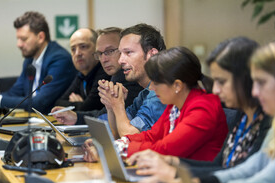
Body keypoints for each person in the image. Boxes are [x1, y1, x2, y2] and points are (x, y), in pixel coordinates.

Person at [137, 41, 275, 183]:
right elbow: (237, 169)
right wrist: (178, 173)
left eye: (261, 83)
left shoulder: (267, 123)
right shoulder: (245, 117)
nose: (216, 90)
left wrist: (182, 182)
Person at [84, 46, 228, 162]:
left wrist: (112, 150)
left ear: (177, 86)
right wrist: (113, 144)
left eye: (157, 83)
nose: (152, 88)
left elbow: (165, 149)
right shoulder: (175, 105)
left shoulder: (203, 109)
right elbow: (151, 136)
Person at [52, 23, 166, 134]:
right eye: (121, 53)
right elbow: (116, 133)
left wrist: (117, 105)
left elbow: (129, 135)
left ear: (151, 55)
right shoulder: (144, 94)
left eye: (128, 53)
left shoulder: (160, 94)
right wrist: (110, 107)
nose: (120, 60)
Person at [0, 11, 76, 114]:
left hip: (54, 123)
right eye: (18, 39)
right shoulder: (29, 60)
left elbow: (39, 104)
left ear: (40, 37)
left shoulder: (60, 59)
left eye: (24, 39)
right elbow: (15, 92)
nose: (19, 44)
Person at [51, 27, 143, 125]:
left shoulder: (125, 76)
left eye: (110, 51)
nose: (103, 59)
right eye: (100, 53)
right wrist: (77, 116)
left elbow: (105, 115)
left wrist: (78, 115)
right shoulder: (113, 74)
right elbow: (105, 115)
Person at [54, 28, 111, 111]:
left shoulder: (105, 71)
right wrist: (80, 104)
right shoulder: (81, 74)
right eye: (73, 49)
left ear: (97, 49)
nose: (77, 53)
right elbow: (58, 103)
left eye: (83, 47)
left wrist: (80, 105)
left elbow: (89, 107)